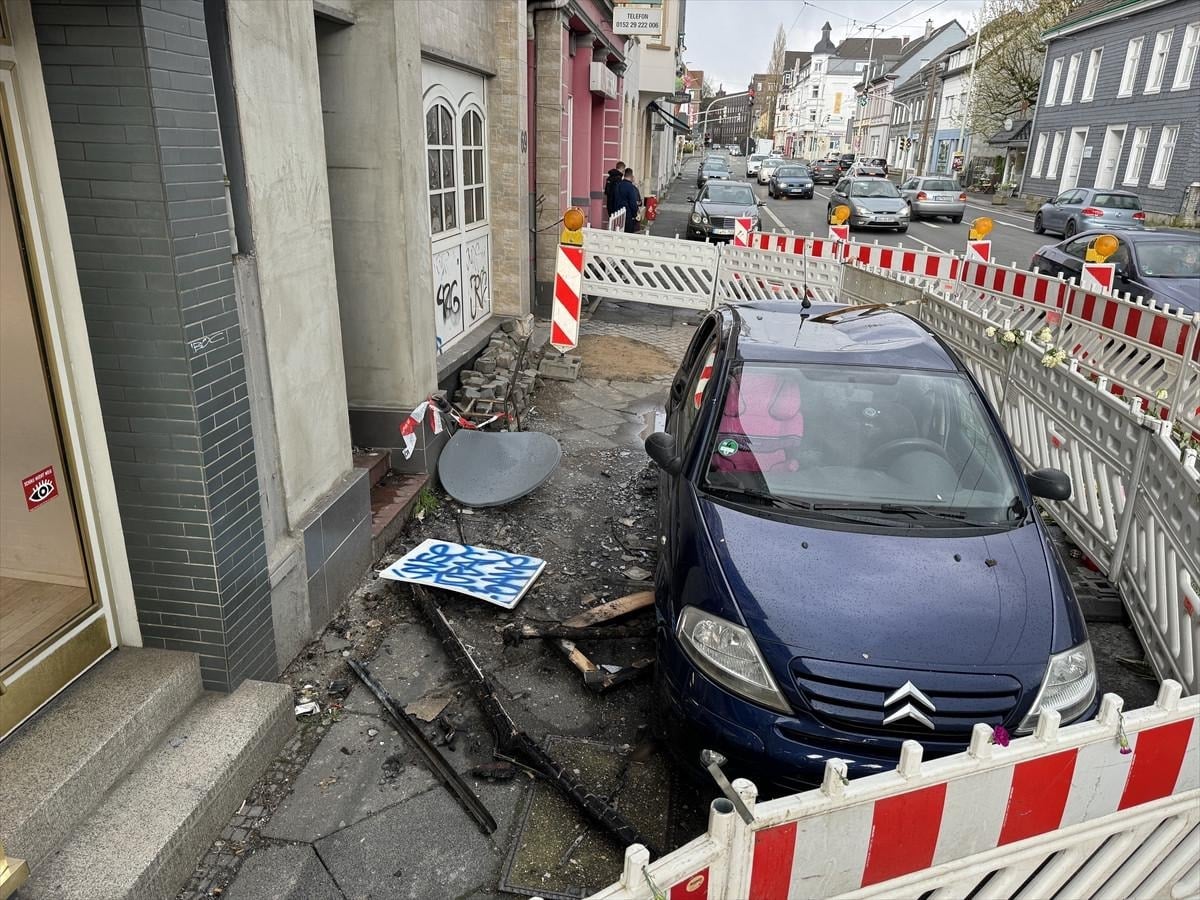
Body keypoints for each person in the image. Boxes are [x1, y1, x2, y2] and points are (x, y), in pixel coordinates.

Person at [615, 168, 642, 233]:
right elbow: (633, 203)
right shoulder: (631, 187)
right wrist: (635, 214)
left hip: (618, 213)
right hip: (628, 215)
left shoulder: (618, 185)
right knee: (628, 233)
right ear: (631, 176)